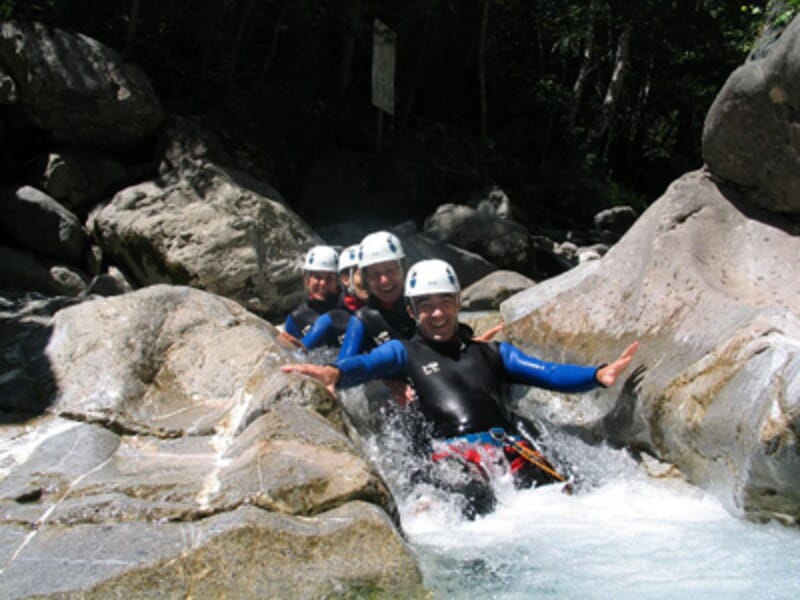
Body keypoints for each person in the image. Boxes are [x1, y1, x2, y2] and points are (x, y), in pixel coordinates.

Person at [282, 259, 640, 517]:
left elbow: (547, 372)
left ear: (458, 303)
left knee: (565, 498)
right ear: (411, 311)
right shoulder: (403, 352)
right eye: (426, 306)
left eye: (443, 303)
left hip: (507, 450)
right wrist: (334, 373)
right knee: (476, 502)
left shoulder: (491, 352)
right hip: (449, 458)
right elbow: (364, 365)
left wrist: (596, 375)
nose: (436, 314)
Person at [337, 231, 416, 360]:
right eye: (375, 274)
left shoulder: (425, 305)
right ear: (366, 279)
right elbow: (341, 369)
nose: (384, 280)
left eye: (390, 270)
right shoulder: (363, 319)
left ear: (404, 269)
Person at [282, 245, 340, 341]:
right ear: (306, 280)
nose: (323, 283)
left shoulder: (348, 312)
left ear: (338, 281)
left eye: (329, 278)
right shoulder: (296, 318)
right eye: (317, 277)